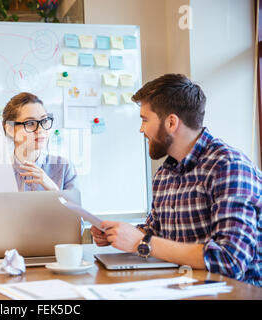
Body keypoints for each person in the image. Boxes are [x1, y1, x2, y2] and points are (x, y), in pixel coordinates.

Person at [91, 74, 261, 287]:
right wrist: (120, 234)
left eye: (145, 120)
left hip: (233, 293)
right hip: (181, 288)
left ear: (171, 122)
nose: (141, 130)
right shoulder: (164, 174)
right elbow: (156, 233)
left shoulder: (229, 167)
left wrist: (141, 242)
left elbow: (230, 260)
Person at [0, 92, 79, 241]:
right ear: (10, 129)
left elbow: (77, 229)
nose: (40, 129)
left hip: (58, 259)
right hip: (9, 258)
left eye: (44, 121)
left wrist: (52, 189)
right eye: (30, 123)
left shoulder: (63, 168)